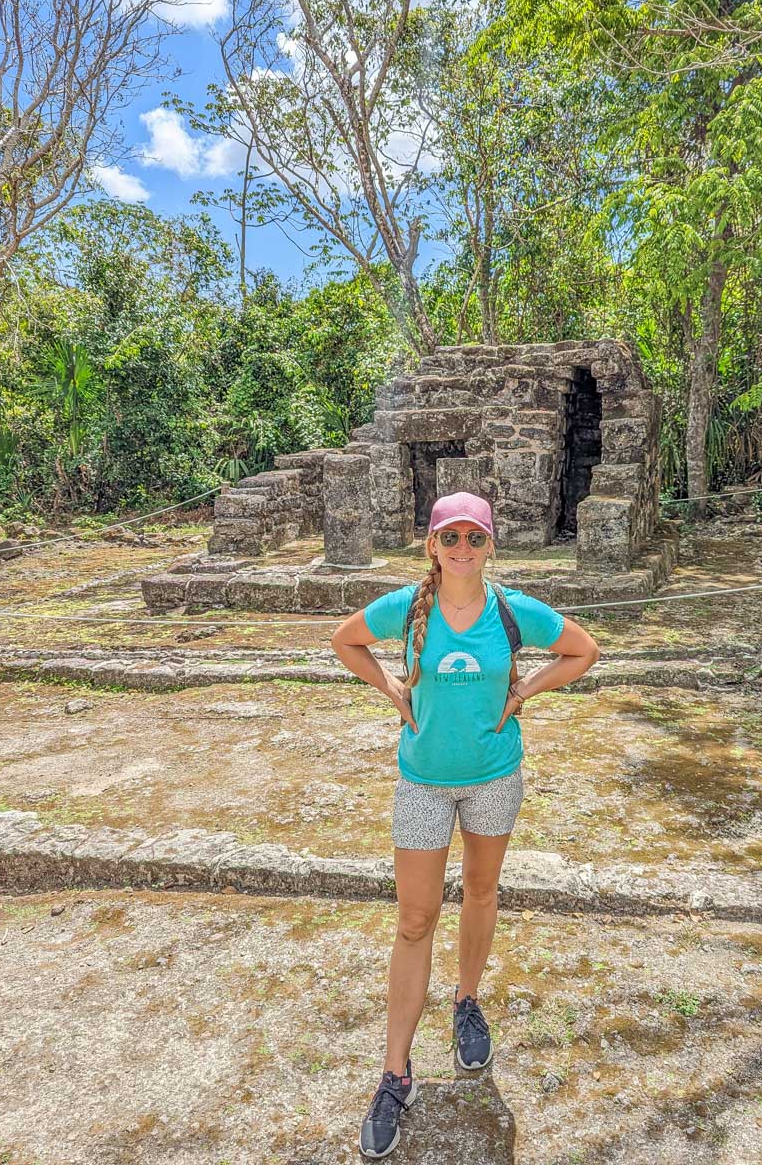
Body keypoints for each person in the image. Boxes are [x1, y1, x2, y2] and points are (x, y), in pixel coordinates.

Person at [330, 491, 600, 1160]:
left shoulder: (511, 611)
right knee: (414, 919)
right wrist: (390, 690)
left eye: (474, 540)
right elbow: (345, 640)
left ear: (490, 547)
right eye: (450, 539)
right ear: (431, 545)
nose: (462, 551)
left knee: (481, 891)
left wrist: (524, 691)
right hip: (423, 780)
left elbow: (583, 651)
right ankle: (395, 1073)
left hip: (493, 777)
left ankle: (467, 1001)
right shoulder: (407, 607)